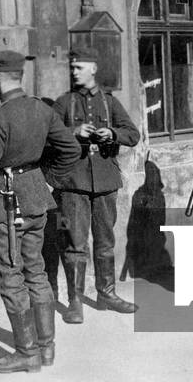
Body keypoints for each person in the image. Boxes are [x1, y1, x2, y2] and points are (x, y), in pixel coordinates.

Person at [0, 50, 80, 373]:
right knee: (36, 270)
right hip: (35, 197)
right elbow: (71, 149)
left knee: (8, 275)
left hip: (5, 202)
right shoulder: (41, 109)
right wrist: (49, 181)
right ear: (20, 76)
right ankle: (46, 349)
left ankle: (26, 352)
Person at [49, 47, 141, 323]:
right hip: (73, 182)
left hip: (104, 182)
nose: (74, 72)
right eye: (72, 68)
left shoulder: (110, 103)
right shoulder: (63, 103)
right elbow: (46, 137)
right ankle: (75, 301)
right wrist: (72, 133)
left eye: (79, 68)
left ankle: (107, 294)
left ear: (93, 69)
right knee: (75, 243)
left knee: (105, 242)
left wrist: (112, 133)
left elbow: (133, 134)